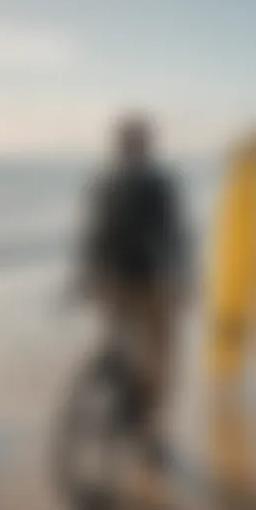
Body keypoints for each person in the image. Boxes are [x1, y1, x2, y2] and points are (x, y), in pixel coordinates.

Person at [77, 114, 188, 456]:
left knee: (118, 345)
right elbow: (172, 235)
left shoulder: (102, 184)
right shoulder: (158, 183)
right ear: (146, 145)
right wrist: (180, 278)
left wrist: (87, 277)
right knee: (160, 357)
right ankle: (146, 429)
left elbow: (91, 236)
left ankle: (119, 405)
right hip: (149, 282)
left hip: (110, 283)